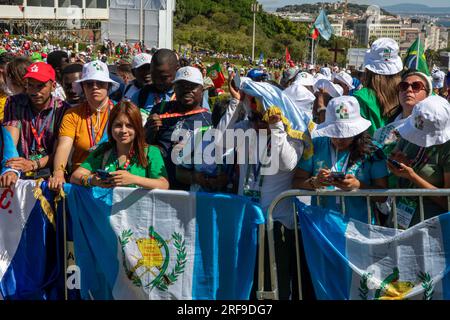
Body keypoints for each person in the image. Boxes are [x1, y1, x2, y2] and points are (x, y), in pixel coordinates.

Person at [294, 96, 388, 224]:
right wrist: (315, 182)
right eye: (335, 133)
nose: (339, 139)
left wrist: (359, 186)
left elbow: (383, 195)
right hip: (323, 227)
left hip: (360, 228)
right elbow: (296, 182)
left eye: (346, 134)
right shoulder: (315, 145)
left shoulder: (373, 150)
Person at [48, 60, 119, 191]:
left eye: (100, 83)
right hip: (80, 181)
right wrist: (58, 173)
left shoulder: (120, 111)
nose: (95, 87)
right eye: (89, 84)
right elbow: (64, 146)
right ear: (83, 87)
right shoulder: (72, 114)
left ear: (108, 86)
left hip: (112, 180)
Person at [70, 100, 169, 190]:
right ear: (110, 128)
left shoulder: (151, 152)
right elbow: (75, 176)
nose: (123, 131)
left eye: (129, 125)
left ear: (138, 128)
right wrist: (92, 180)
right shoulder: (103, 150)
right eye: (118, 125)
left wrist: (133, 179)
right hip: (107, 209)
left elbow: (163, 185)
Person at [387, 96, 450, 229]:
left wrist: (412, 176)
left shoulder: (446, 149)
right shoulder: (410, 132)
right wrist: (396, 160)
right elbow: (395, 154)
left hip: (431, 229)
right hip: (398, 221)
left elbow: (447, 201)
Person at [145, 66, 212, 191]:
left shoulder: (209, 120)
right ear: (174, 88)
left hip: (188, 190)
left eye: (192, 87)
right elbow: (144, 144)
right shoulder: (160, 109)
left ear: (202, 90)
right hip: (157, 183)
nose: (187, 91)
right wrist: (149, 130)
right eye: (182, 86)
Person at [3, 62, 70, 178]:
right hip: (20, 169)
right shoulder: (14, 103)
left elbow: (60, 151)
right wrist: (10, 169)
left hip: (49, 173)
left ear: (53, 86)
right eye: (30, 85)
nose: (34, 92)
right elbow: (10, 141)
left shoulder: (62, 109)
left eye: (40, 86)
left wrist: (33, 164)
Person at [374, 71, 432, 157]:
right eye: (403, 86)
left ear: (427, 95)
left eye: (416, 86)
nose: (409, 90)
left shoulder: (430, 129)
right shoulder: (388, 122)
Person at [353, 38, 403, 136]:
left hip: (370, 149)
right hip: (399, 150)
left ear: (369, 70)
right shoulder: (406, 93)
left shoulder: (360, 97)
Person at [131, 49, 178, 114]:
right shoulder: (140, 96)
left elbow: (196, 122)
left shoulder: (186, 96)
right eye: (154, 76)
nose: (158, 81)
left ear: (176, 69)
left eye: (164, 77)